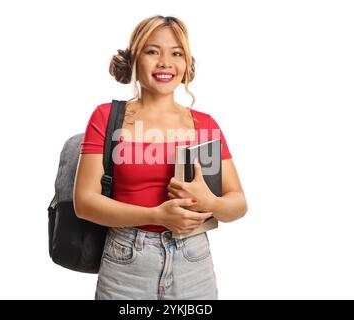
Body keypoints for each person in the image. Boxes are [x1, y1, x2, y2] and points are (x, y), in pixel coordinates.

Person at [73, 15, 247, 300]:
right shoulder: (107, 118)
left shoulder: (204, 125)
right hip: (126, 261)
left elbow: (238, 203)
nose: (165, 62)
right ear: (134, 60)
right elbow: (85, 202)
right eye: (153, 51)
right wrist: (156, 216)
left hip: (193, 261)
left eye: (176, 53)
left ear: (186, 64)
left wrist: (211, 202)